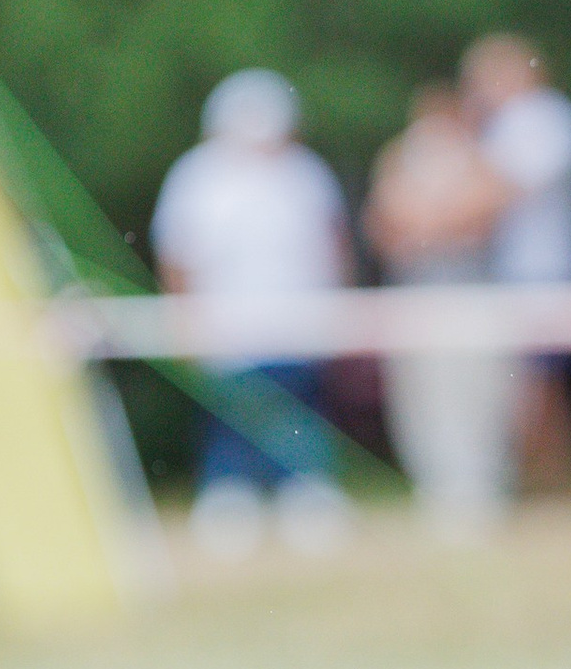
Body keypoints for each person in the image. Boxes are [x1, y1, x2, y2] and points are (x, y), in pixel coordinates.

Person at [152, 70, 353, 554]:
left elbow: (333, 246)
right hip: (227, 328)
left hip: (297, 326)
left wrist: (339, 311)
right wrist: (184, 319)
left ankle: (306, 495)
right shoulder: (197, 176)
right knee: (233, 417)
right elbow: (177, 256)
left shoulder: (304, 174)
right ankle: (228, 498)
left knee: (298, 412)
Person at [363, 82, 517, 531]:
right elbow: (383, 222)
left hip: (472, 294)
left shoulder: (481, 160)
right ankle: (435, 487)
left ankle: (482, 488)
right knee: (419, 394)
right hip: (415, 294)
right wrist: (437, 224)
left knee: (479, 392)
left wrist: (428, 224)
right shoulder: (398, 159)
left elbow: (487, 210)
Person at [464, 32, 571, 490]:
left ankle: (546, 487)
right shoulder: (513, 123)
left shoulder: (543, 117)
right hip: (521, 273)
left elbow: (502, 191)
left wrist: (433, 216)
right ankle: (542, 487)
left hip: (542, 273)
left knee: (537, 385)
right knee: (534, 384)